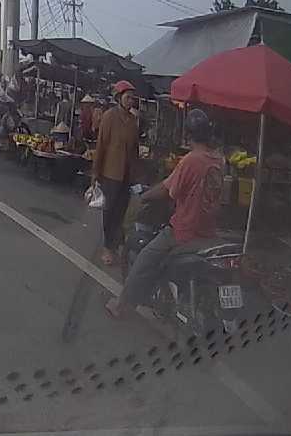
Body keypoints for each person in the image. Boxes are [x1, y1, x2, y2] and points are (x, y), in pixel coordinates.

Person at [105, 109, 224, 319]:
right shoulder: (218, 160)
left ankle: (121, 305)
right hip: (209, 231)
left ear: (187, 134)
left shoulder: (191, 160)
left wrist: (144, 196)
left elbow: (167, 190)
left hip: (185, 231)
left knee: (145, 259)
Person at [92, 80, 140, 266]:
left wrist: (136, 175)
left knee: (121, 212)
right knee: (109, 212)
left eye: (132, 98)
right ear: (119, 98)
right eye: (128, 98)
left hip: (126, 175)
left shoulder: (133, 121)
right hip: (110, 173)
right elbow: (101, 145)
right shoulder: (109, 117)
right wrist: (96, 173)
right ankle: (107, 247)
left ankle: (115, 244)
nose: (130, 101)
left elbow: (135, 151)